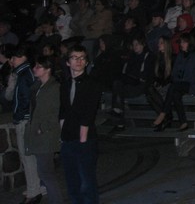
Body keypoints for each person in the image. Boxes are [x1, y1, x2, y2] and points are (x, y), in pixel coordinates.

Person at [59, 44, 102, 204]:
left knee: (87, 182)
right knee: (72, 181)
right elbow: (63, 112)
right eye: (74, 58)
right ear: (68, 62)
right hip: (68, 138)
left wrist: (82, 141)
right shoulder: (65, 84)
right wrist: (62, 137)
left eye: (82, 58)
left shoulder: (92, 84)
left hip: (85, 139)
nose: (78, 61)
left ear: (86, 62)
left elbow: (88, 114)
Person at [25, 54, 64, 204]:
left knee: (46, 173)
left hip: (45, 136)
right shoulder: (38, 87)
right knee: (44, 172)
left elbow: (55, 112)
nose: (35, 69)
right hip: (38, 134)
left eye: (38, 67)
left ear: (47, 69)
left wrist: (42, 128)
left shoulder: (53, 88)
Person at [153, 34, 195, 132]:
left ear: (190, 43)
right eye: (181, 42)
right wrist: (178, 79)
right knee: (175, 93)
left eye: (184, 42)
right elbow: (174, 72)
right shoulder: (180, 55)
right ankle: (183, 122)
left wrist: (181, 79)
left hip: (193, 84)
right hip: (180, 84)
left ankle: (163, 113)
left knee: (173, 87)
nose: (181, 44)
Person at [11, 45, 42, 204]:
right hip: (26, 118)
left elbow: (23, 99)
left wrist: (19, 117)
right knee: (30, 157)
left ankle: (33, 191)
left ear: (22, 57)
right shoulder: (25, 73)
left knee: (27, 157)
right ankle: (35, 188)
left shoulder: (24, 74)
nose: (12, 61)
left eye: (14, 58)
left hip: (24, 120)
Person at [110, 32, 154, 131]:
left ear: (143, 44)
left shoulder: (148, 56)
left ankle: (118, 118)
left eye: (137, 44)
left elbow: (146, 75)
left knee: (118, 88)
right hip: (128, 83)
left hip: (140, 85)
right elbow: (125, 71)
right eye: (133, 45)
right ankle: (118, 115)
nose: (134, 47)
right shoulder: (132, 56)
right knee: (117, 85)